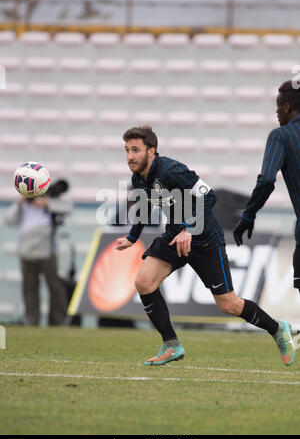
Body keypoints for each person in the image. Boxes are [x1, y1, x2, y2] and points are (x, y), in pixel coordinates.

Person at [115, 125, 296, 367]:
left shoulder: (172, 169)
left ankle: (277, 328)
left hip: (205, 238)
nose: (129, 156)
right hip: (175, 236)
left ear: (152, 151)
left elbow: (209, 195)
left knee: (229, 305)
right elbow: (146, 206)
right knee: (144, 282)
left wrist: (189, 228)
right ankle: (171, 344)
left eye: (135, 150)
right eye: (126, 150)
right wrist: (132, 237)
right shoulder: (139, 178)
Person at [233, 80, 300, 294]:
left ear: (287, 107)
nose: (277, 113)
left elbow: (266, 181)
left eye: (278, 107)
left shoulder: (281, 136)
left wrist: (248, 216)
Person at [4, 180, 72, 325]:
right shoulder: (23, 205)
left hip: (47, 251)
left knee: (55, 286)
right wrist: (20, 202)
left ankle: (58, 321)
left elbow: (67, 208)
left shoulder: (50, 201)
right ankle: (32, 320)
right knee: (29, 288)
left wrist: (47, 203)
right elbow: (8, 219)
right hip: (26, 251)